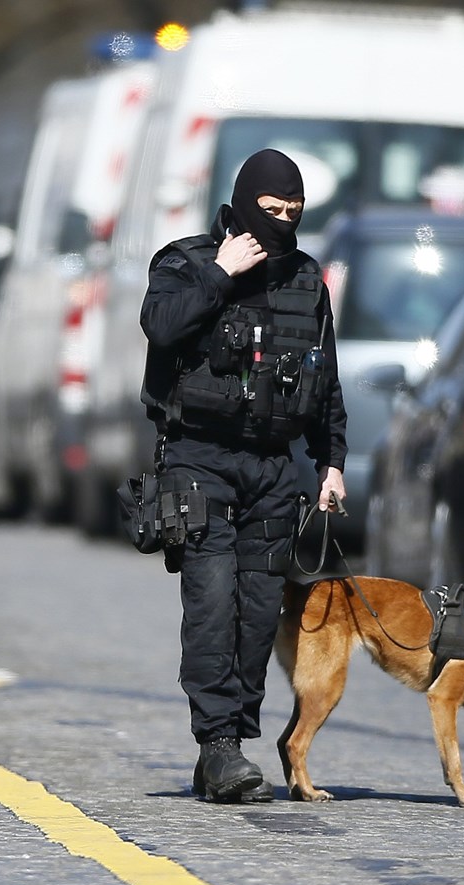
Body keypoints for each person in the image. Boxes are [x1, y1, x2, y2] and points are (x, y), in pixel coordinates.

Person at [138, 148, 347, 803]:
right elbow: (160, 326)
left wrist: (332, 459)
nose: (283, 221)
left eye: (294, 212)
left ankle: (230, 740)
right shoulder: (188, 262)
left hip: (273, 468)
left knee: (259, 613)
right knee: (211, 603)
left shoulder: (307, 280)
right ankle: (218, 745)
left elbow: (326, 379)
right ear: (242, 203)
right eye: (271, 209)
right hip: (199, 458)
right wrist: (221, 276)